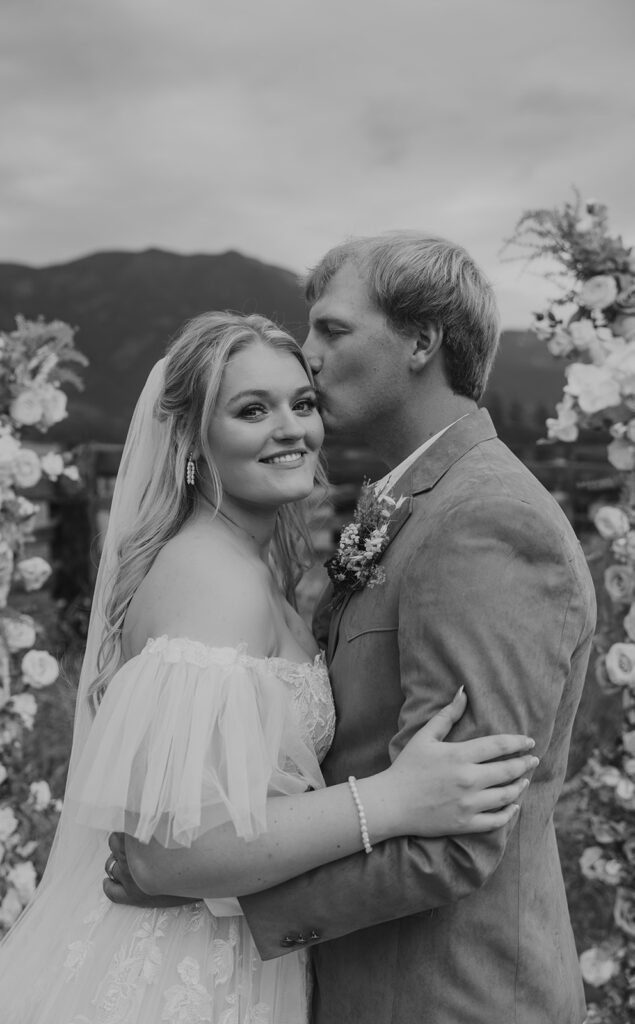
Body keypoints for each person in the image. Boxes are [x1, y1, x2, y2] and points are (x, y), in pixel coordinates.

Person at [0, 311, 536, 1024]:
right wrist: (395, 799)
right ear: (194, 440)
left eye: (301, 403)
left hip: (245, 953)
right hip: (179, 974)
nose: (289, 428)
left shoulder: (251, 567)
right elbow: (173, 852)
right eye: (251, 410)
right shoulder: (209, 581)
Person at [109, 236, 596, 1024]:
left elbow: (456, 836)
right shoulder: (413, 509)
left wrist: (211, 890)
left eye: (332, 331)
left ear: (419, 342)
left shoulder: (486, 522)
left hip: (446, 996)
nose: (308, 357)